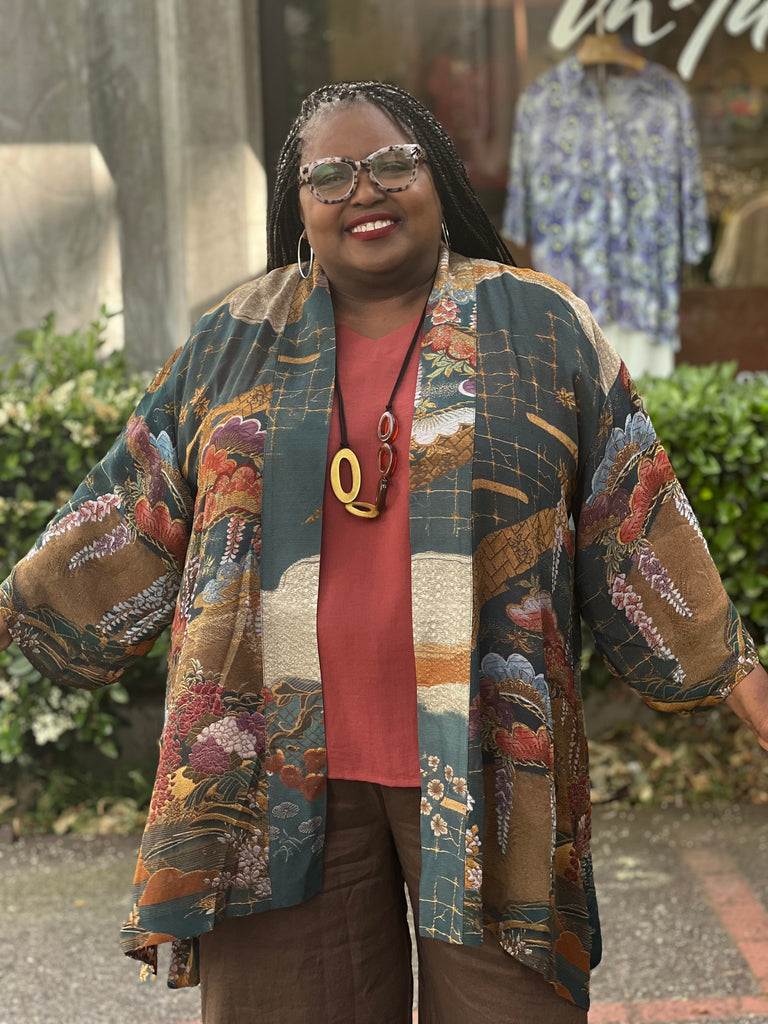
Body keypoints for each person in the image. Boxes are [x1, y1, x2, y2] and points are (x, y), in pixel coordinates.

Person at [0, 81, 766, 1024]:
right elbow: (133, 502)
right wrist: (15, 611)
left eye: (393, 164)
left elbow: (634, 512)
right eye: (329, 176)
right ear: (299, 207)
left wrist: (743, 683)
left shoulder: (541, 327)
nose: (364, 190)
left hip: (489, 766)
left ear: (438, 177)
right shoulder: (235, 339)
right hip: (268, 770)